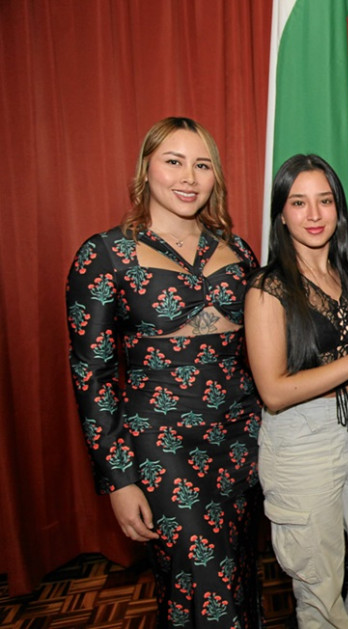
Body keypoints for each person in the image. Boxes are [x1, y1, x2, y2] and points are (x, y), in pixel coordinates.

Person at [66, 117, 262, 627]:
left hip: (242, 438)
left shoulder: (239, 252)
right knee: (200, 581)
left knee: (238, 574)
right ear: (146, 169)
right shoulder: (104, 254)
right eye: (174, 161)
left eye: (202, 165)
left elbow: (266, 347)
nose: (189, 177)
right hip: (162, 443)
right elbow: (92, 374)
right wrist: (119, 480)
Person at [244, 154, 348, 628]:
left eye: (325, 201)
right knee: (319, 586)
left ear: (339, 210)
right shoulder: (266, 288)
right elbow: (274, 391)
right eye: (299, 202)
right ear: (281, 212)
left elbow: (325, 352)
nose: (314, 214)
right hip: (297, 441)